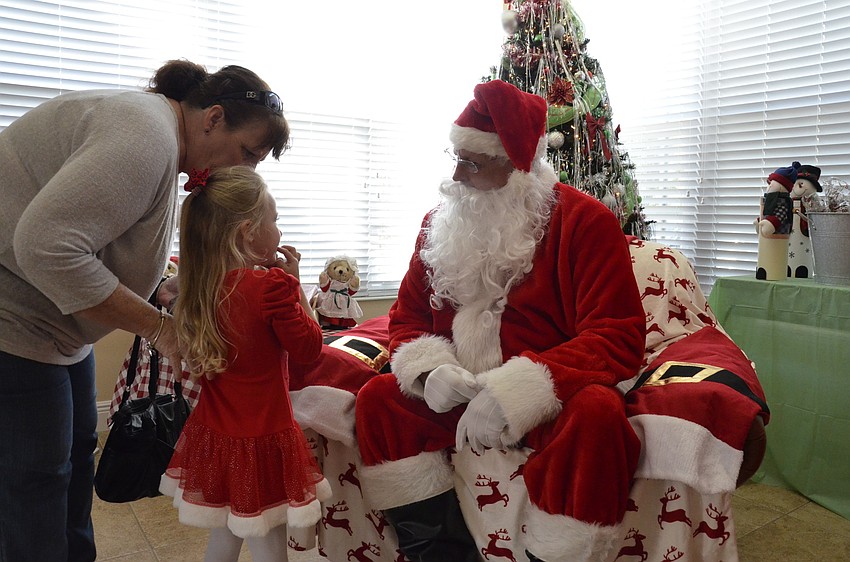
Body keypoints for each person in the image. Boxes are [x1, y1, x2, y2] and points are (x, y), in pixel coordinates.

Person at [0, 59, 289, 561]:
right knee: (35, 485)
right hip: (16, 323)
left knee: (70, 466)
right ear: (213, 117)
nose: (244, 171)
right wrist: (162, 329)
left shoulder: (156, 135)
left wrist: (159, 287)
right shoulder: (144, 136)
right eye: (246, 153)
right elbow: (47, 246)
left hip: (57, 330)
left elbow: (97, 238)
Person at [354, 80, 646, 562]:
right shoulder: (438, 224)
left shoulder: (585, 222)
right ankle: (441, 554)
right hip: (459, 395)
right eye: (456, 157)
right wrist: (429, 371)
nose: (456, 174)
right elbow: (405, 319)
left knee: (599, 416)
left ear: (517, 168)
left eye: (472, 162)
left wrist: (517, 391)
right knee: (379, 400)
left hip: (552, 395)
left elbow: (617, 335)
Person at [159, 166, 330, 562]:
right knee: (268, 539)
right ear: (248, 231)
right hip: (265, 438)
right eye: (275, 220)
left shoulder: (196, 286)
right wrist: (297, 287)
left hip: (215, 434)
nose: (280, 232)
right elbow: (309, 349)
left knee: (227, 532)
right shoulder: (272, 287)